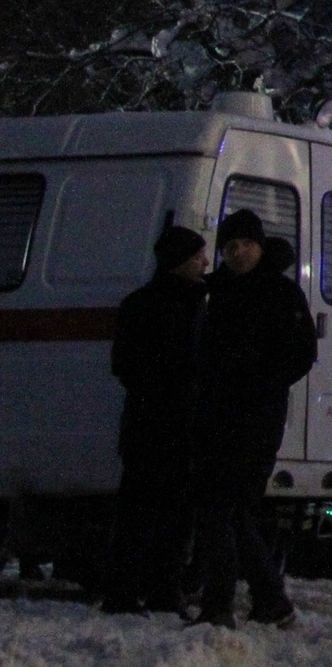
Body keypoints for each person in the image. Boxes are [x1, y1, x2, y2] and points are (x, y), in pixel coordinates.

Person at [188, 209, 317, 630]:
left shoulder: (280, 294)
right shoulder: (217, 292)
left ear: (260, 247)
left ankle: (222, 603)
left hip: (255, 418)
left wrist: (261, 376)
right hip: (216, 415)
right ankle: (268, 599)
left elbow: (301, 353)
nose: (238, 253)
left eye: (245, 245)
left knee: (224, 509)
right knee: (234, 512)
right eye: (230, 247)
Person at [99, 226, 209, 615]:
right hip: (171, 422)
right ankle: (157, 589)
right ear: (181, 261)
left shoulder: (139, 303)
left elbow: (124, 365)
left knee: (142, 512)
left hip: (147, 422)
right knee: (167, 513)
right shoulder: (195, 306)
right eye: (198, 256)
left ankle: (130, 590)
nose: (205, 263)